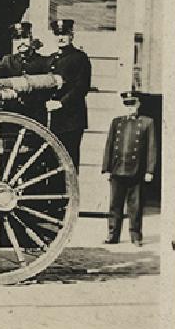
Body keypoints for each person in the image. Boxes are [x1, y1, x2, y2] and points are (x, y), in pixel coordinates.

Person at [102, 91, 157, 246]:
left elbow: (152, 148)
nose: (130, 107)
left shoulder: (147, 122)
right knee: (115, 205)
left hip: (136, 171)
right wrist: (106, 168)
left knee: (136, 205)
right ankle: (113, 235)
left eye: (132, 103)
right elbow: (109, 146)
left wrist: (149, 170)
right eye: (127, 104)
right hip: (117, 169)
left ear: (138, 104)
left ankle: (136, 236)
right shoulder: (117, 122)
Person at [46, 19, 92, 169]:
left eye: (64, 34)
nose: (60, 37)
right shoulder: (52, 58)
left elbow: (81, 87)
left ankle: (70, 192)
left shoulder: (80, 58)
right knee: (52, 162)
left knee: (68, 162)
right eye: (57, 34)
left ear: (72, 35)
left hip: (71, 119)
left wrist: (61, 103)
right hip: (53, 119)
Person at [0, 21, 50, 125]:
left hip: (35, 115)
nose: (21, 42)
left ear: (31, 39)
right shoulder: (7, 60)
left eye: (24, 38)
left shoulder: (43, 62)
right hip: (12, 114)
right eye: (17, 39)